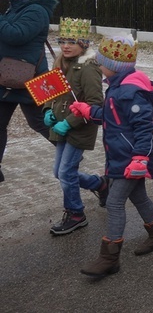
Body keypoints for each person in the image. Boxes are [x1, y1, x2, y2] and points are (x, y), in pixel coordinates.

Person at [76, 34, 153, 278]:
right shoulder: (117, 88)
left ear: (113, 67)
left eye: (101, 62)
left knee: (115, 202)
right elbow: (112, 117)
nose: (98, 65)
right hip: (120, 157)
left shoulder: (130, 93)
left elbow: (145, 127)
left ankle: (109, 258)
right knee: (138, 197)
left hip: (131, 160)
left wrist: (140, 158)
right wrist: (88, 111)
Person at [46, 18, 106, 236]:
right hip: (61, 125)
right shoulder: (60, 62)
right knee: (59, 172)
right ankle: (100, 185)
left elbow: (94, 103)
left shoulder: (89, 68)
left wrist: (69, 122)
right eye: (62, 40)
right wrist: (47, 112)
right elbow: (50, 92)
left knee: (66, 172)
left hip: (80, 127)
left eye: (71, 41)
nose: (65, 45)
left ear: (83, 43)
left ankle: (75, 214)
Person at [0, 0, 57, 183]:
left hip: (30, 79)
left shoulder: (36, 11)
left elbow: (16, 35)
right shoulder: (14, 9)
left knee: (39, 122)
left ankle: (70, 152)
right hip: (6, 77)